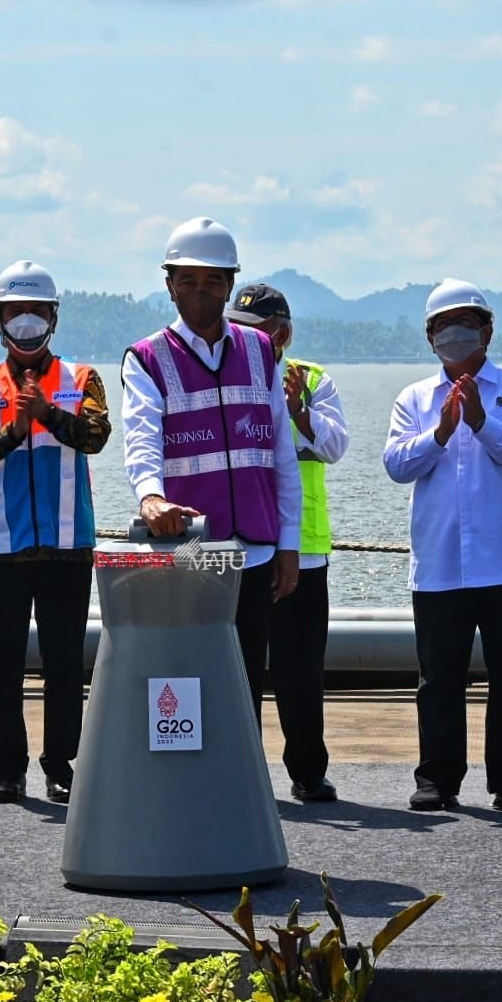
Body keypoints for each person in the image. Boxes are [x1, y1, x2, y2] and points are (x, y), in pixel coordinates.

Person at [121, 217, 302, 768]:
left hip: (255, 548)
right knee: (187, 675)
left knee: (246, 679)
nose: (202, 293)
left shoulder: (260, 352)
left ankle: (241, 783)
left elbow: (281, 455)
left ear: (230, 284)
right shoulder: (148, 357)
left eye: (214, 282)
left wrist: (288, 543)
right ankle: (189, 783)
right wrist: (150, 497)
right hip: (193, 550)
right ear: (170, 283)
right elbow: (141, 438)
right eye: (189, 282)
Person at [383, 278, 502, 813]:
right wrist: (439, 431)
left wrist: (480, 421)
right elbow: (396, 465)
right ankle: (437, 779)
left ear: (487, 330)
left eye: (466, 324)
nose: (455, 335)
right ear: (430, 336)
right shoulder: (414, 398)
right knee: (438, 680)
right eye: (443, 326)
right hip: (440, 562)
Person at [0, 261, 111, 805]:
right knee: (3, 664)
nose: (26, 322)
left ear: (53, 317)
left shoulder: (83, 379)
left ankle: (61, 765)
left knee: (66, 662)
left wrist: (47, 414)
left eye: (36, 313)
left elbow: (96, 436)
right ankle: (8, 766)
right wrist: (13, 431)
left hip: (67, 545)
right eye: (15, 313)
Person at [224, 282, 349, 802]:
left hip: (306, 548)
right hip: (242, 547)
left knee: (300, 668)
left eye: (258, 331)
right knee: (243, 666)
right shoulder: (225, 378)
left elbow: (335, 446)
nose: (247, 339)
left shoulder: (312, 379)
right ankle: (244, 770)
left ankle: (307, 769)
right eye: (239, 329)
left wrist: (298, 411)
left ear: (284, 333)